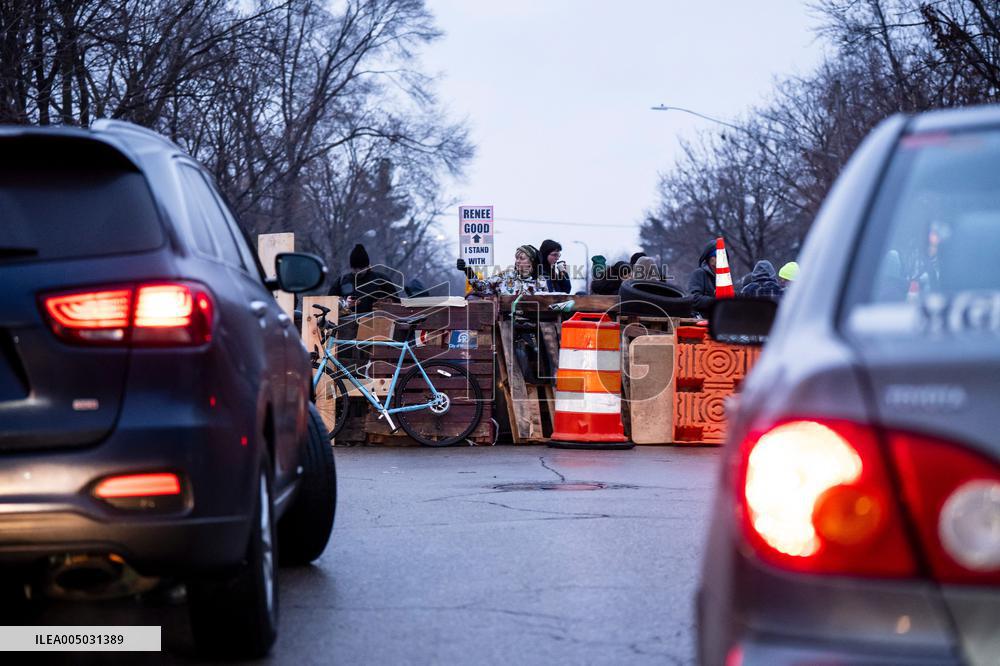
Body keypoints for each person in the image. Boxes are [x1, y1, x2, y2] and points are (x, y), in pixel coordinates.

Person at [327, 243, 400, 314]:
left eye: (361, 268)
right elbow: (329, 304)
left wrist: (384, 304)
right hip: (347, 322)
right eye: (355, 268)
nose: (358, 271)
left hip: (376, 322)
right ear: (351, 267)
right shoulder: (342, 281)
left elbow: (396, 303)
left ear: (368, 266)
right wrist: (345, 304)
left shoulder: (380, 280)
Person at [457, 244, 540, 296]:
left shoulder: (541, 282)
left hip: (534, 322)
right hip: (507, 322)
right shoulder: (505, 276)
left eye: (521, 258)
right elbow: (481, 287)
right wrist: (468, 270)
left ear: (531, 261)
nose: (517, 261)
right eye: (516, 258)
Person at [687, 240, 717, 314]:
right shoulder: (699, 273)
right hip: (702, 320)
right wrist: (716, 300)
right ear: (709, 258)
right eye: (716, 255)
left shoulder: (726, 278)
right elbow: (693, 299)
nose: (721, 258)